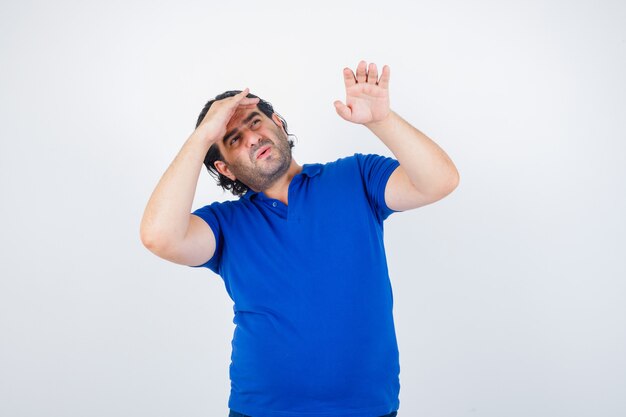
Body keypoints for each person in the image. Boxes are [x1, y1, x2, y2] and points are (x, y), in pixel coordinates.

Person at [140, 60, 460, 417]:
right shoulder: (224, 225)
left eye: (255, 122)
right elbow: (159, 237)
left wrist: (379, 120)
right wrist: (202, 136)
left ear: (277, 123)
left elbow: (440, 181)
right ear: (224, 168)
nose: (252, 137)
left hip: (367, 409)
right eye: (234, 139)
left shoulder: (356, 176)